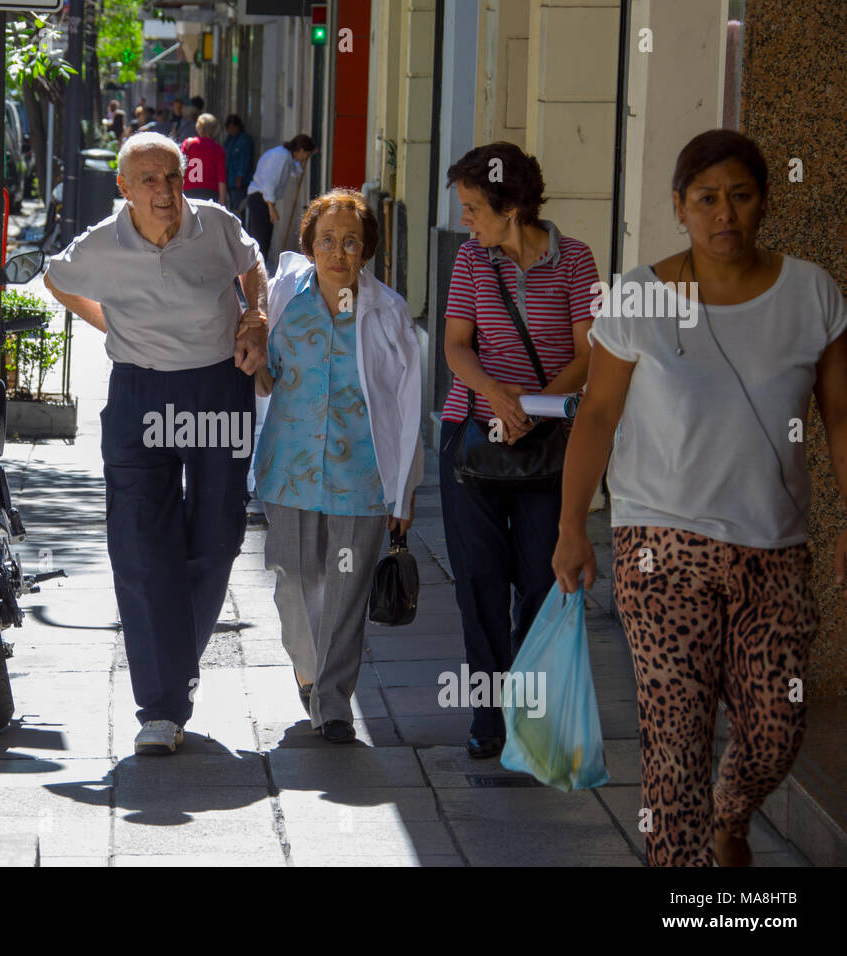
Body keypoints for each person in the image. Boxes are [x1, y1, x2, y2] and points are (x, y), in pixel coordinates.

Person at [552, 129, 847, 867]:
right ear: (679, 207)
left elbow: (840, 416)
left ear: (764, 202)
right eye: (707, 199)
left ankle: (731, 811)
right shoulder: (640, 297)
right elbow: (596, 415)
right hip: (662, 549)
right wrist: (571, 528)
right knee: (673, 742)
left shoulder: (811, 293)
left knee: (778, 725)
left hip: (773, 550)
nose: (726, 215)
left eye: (741, 196)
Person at [43, 132, 271, 756]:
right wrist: (108, 321)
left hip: (217, 388)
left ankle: (176, 659)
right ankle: (161, 707)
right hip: (140, 393)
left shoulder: (217, 226)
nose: (164, 191)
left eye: (172, 177)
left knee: (218, 536)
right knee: (141, 545)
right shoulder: (100, 244)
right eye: (148, 179)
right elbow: (54, 279)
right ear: (124, 188)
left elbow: (252, 266)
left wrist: (255, 318)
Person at [438, 141, 598, 760]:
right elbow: (456, 348)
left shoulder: (577, 260)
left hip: (548, 443)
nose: (466, 221)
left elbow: (589, 354)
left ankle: (528, 712)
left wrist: (530, 405)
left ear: (511, 208)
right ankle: (486, 713)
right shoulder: (473, 263)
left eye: (475, 208)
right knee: (477, 581)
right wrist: (502, 400)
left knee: (539, 577)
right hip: (474, 438)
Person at [255, 189, 424, 743]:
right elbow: (266, 374)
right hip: (288, 469)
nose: (337, 251)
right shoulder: (285, 296)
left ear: (365, 250)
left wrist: (404, 491)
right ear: (310, 244)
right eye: (326, 240)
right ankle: (309, 667)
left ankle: (332, 704)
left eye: (350, 242)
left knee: (347, 590)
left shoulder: (387, 311)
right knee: (294, 579)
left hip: (362, 478)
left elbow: (406, 406)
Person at [245, 135, 316, 273]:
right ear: (300, 150)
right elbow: (269, 183)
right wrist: (271, 209)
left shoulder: (287, 157)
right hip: (261, 198)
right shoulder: (282, 156)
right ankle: (254, 273)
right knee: (261, 241)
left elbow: (295, 172)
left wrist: (303, 163)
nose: (307, 157)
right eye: (306, 154)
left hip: (264, 199)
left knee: (264, 239)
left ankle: (257, 272)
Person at [181, 113, 227, 204]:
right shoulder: (218, 149)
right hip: (210, 193)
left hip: (189, 191)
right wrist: (223, 203)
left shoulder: (188, 144)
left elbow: (181, 169)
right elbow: (221, 179)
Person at [224, 115, 254, 214]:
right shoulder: (229, 139)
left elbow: (245, 160)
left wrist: (240, 176)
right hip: (229, 179)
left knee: (238, 206)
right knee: (231, 206)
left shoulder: (245, 140)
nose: (231, 130)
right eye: (229, 128)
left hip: (239, 182)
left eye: (233, 127)